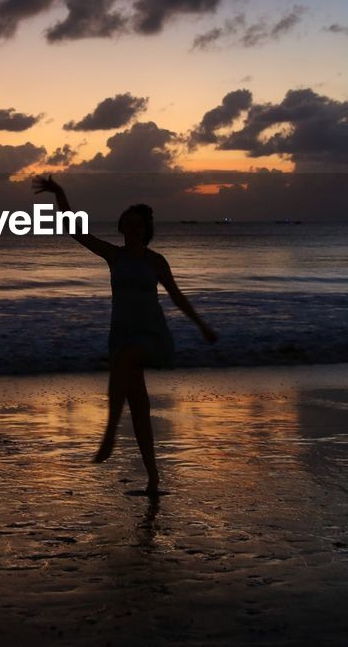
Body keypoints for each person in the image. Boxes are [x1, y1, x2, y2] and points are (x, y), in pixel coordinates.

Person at [32, 174, 217, 496]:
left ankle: (109, 433)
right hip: (122, 333)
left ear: (146, 230)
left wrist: (201, 325)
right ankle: (154, 478)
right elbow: (74, 230)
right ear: (122, 227)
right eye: (129, 224)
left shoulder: (156, 261)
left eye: (139, 225)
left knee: (128, 361)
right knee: (140, 405)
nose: (133, 230)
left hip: (151, 335)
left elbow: (176, 296)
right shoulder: (113, 256)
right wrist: (60, 193)